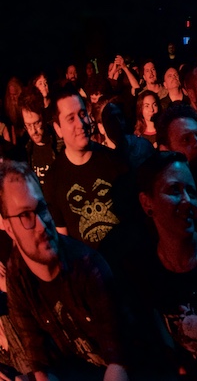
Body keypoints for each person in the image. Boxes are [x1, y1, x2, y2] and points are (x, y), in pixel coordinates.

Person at [111, 151, 197, 380]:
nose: (187, 201)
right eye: (174, 190)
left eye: (191, 192)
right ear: (147, 203)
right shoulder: (142, 272)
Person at [0, 159, 132, 380]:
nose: (42, 225)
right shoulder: (17, 276)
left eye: (41, 208)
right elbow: (39, 359)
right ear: (8, 228)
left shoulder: (88, 268)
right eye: (25, 215)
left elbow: (119, 361)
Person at [45, 86, 132, 248]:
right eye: (71, 118)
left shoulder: (116, 162)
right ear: (58, 129)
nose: (80, 123)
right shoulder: (53, 180)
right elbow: (63, 242)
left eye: (82, 114)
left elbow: (134, 220)